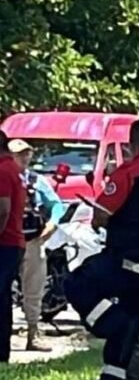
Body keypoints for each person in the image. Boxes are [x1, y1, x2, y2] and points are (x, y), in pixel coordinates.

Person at [64, 118, 139, 380]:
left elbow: (101, 216)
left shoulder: (129, 173)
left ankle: (109, 324)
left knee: (76, 283)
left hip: (124, 260)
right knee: (134, 316)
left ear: (132, 145)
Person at [9, 139, 65, 351]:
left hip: (33, 241)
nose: (24, 157)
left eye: (27, 153)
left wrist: (52, 224)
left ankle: (33, 333)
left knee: (34, 289)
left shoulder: (37, 180)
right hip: (6, 241)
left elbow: (56, 204)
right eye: (18, 154)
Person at [0, 130, 26, 363]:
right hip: (13, 242)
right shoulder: (13, 170)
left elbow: (3, 209)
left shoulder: (2, 170)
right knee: (3, 297)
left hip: (4, 242)